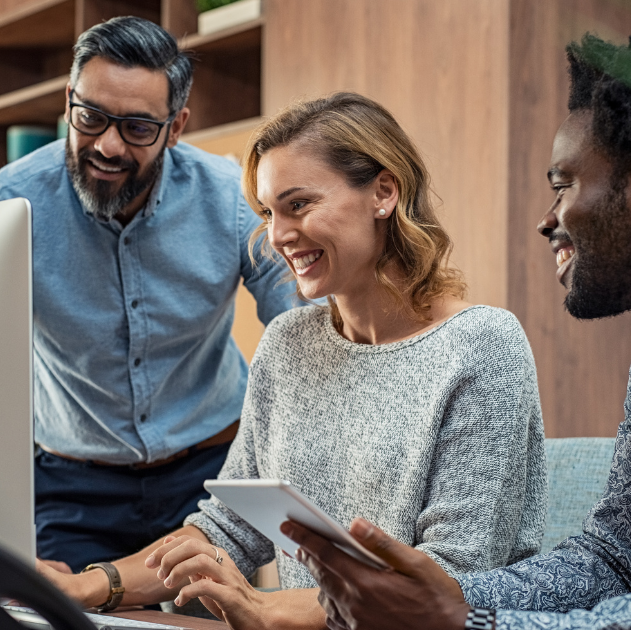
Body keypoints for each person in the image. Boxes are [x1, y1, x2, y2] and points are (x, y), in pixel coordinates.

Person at [39, 92, 546, 627]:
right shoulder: (287, 343)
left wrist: (263, 607)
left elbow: (450, 584)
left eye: (299, 204)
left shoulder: (482, 345)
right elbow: (227, 529)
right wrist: (91, 585)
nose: (277, 236)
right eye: (268, 212)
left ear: (384, 191)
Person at [282, 33, 631, 630]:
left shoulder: (480, 341)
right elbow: (612, 561)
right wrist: (441, 600)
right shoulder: (289, 339)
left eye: (563, 184)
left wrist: (464, 621)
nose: (546, 219)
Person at [0, 16, 295, 573]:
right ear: (68, 101)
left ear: (176, 126)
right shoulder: (11, 204)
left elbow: (306, 327)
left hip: (209, 478)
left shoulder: (231, 198)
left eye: (138, 127)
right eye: (90, 118)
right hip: (72, 489)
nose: (107, 146)